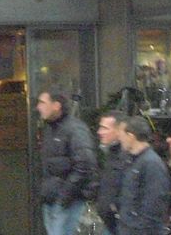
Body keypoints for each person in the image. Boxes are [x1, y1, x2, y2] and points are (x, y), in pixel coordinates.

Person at [36, 89, 99, 235]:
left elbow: (85, 164)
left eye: (42, 103)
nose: (38, 107)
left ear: (56, 106)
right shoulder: (50, 129)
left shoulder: (75, 129)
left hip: (68, 201)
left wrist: (65, 195)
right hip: (53, 199)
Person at [116, 116, 170, 235]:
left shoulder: (152, 163)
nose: (119, 138)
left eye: (121, 134)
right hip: (129, 228)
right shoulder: (130, 160)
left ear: (131, 136)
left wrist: (139, 228)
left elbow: (154, 202)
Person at [95, 110, 131, 235]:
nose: (99, 132)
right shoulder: (111, 154)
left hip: (120, 224)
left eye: (104, 128)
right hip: (110, 221)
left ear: (119, 130)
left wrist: (114, 208)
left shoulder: (127, 157)